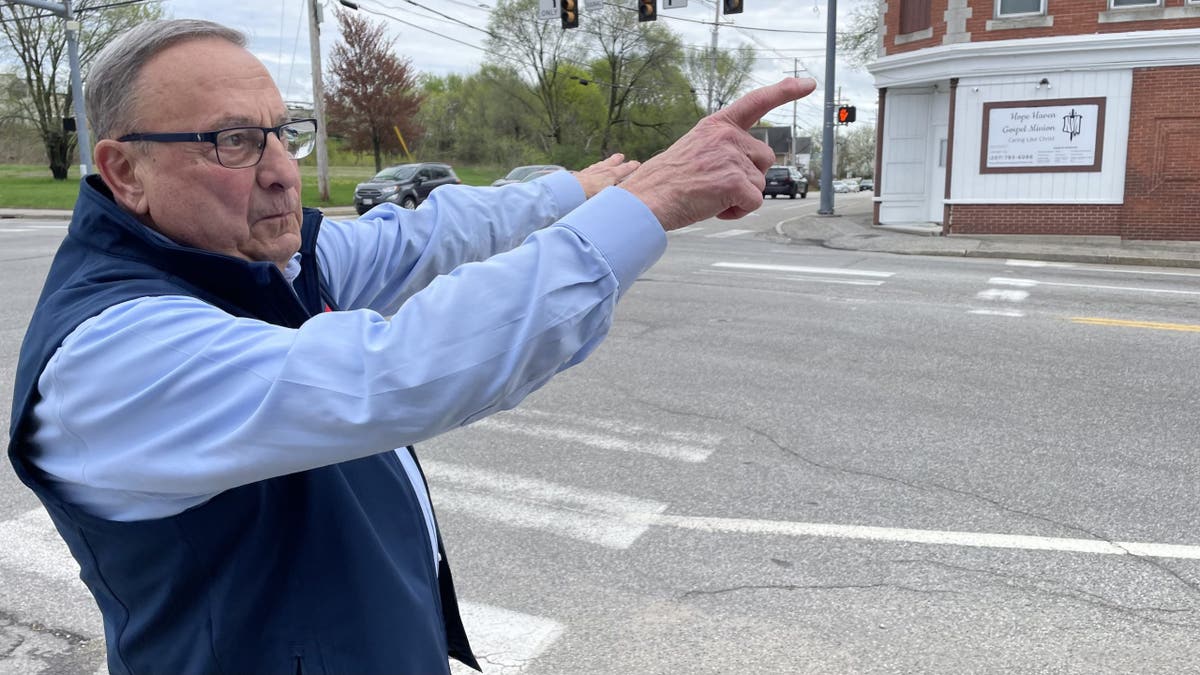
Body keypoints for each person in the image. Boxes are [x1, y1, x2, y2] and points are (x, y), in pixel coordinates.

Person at [6, 18, 815, 675]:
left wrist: (579, 189)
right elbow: (400, 370)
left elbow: (419, 238)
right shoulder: (111, 355)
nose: (285, 170)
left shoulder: (259, 257)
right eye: (233, 141)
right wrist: (648, 205)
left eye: (283, 132)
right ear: (125, 170)